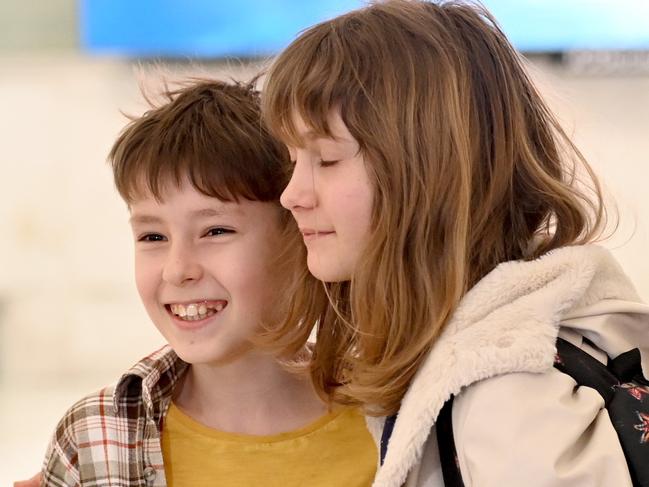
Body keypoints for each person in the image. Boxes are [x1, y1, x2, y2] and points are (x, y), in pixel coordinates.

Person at [260, 1, 649, 486]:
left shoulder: (508, 403)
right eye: (292, 159)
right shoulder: (526, 353)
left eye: (326, 159)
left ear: (427, 172)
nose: (291, 195)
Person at [35, 79, 376, 486]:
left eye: (215, 231)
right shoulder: (93, 440)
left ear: (299, 233)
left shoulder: (395, 416)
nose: (178, 270)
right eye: (153, 237)